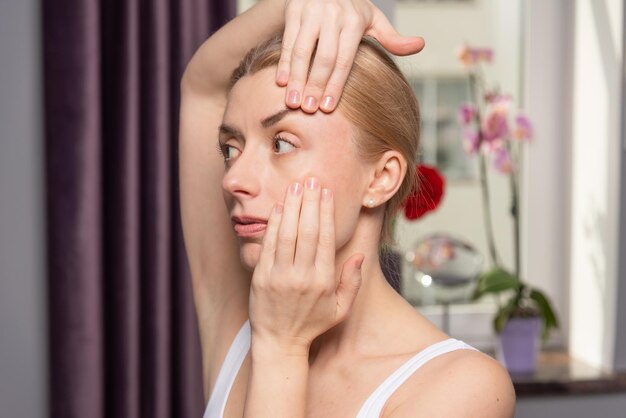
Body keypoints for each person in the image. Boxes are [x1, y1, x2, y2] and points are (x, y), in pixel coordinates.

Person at [179, 0, 516, 416]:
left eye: (282, 143)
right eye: (230, 148)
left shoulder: (461, 388)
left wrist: (282, 348)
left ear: (381, 178)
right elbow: (201, 84)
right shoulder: (237, 324)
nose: (232, 180)